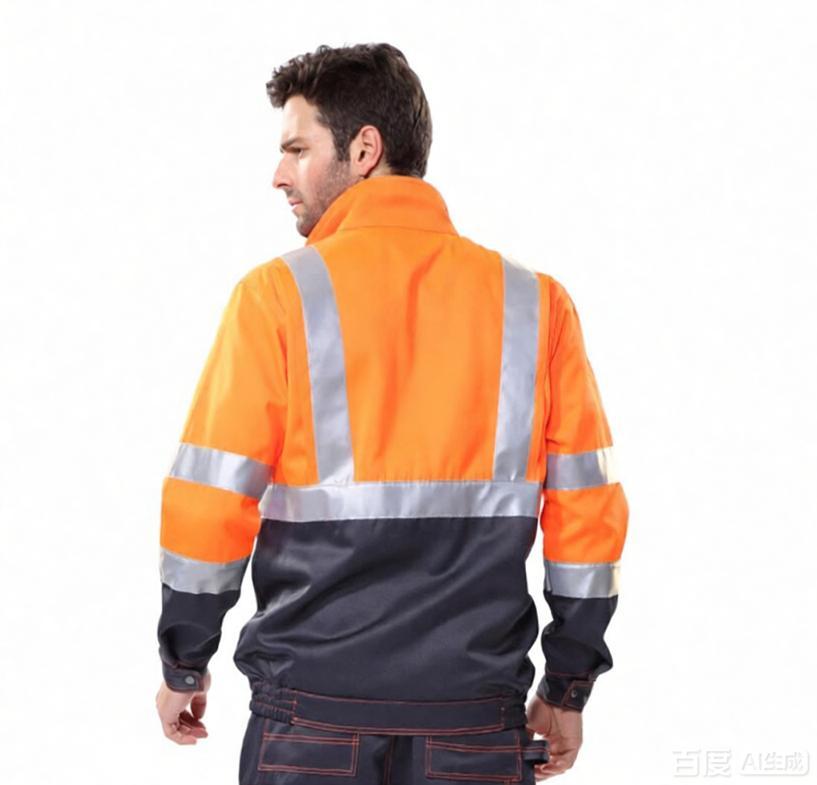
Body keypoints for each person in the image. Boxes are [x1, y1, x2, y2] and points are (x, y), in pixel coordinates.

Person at [154, 42, 629, 784]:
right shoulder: (535, 304)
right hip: (475, 722)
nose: (278, 174)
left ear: (364, 149)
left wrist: (185, 661)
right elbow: (587, 517)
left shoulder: (276, 296)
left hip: (308, 719)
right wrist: (567, 686)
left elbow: (210, 503)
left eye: (297, 149)